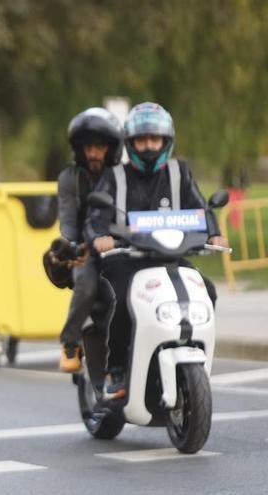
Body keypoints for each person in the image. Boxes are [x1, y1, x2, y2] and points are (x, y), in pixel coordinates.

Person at [86, 102, 228, 399]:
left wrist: (214, 233)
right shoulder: (115, 176)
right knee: (120, 297)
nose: (149, 146)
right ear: (131, 143)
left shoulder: (179, 172)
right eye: (142, 139)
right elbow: (96, 216)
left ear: (166, 141)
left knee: (207, 291)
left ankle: (190, 349)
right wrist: (100, 236)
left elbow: (201, 208)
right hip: (125, 259)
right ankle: (117, 368)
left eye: (155, 139)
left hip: (169, 258)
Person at [55, 108, 123, 372]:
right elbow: (68, 219)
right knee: (86, 282)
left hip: (123, 246)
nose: (93, 153)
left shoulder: (123, 176)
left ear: (111, 148)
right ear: (80, 150)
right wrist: (72, 246)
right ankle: (70, 341)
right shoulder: (69, 178)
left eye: (99, 147)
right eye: (88, 148)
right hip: (86, 249)